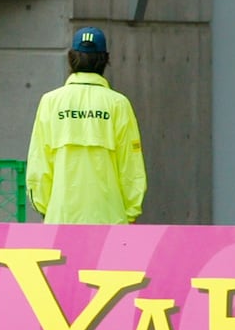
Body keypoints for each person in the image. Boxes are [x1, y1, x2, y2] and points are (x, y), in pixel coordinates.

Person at [26, 26, 146, 225]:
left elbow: (39, 163)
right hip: (110, 220)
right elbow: (131, 166)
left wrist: (46, 208)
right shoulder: (118, 104)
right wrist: (131, 211)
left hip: (60, 218)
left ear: (71, 57)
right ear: (105, 59)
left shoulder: (50, 102)